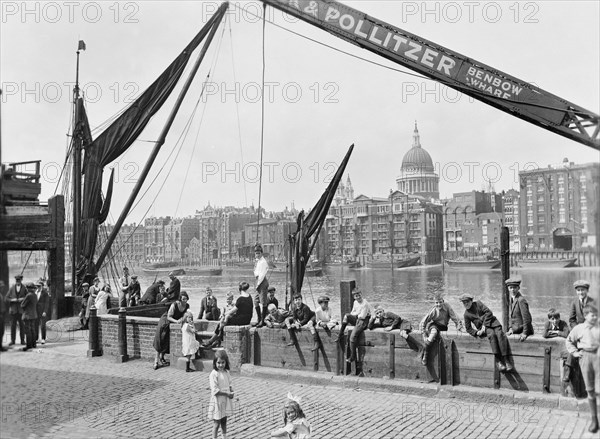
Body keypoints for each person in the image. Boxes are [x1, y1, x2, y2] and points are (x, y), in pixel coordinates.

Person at [565, 305, 599, 433]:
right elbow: (569, 341)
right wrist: (574, 353)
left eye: (596, 315)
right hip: (585, 357)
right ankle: (594, 420)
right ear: (585, 316)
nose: (595, 317)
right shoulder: (578, 329)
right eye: (592, 315)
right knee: (590, 390)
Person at [459, 293, 512, 372]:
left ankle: (506, 360)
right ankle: (498, 361)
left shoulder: (478, 304)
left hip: (493, 323)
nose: (466, 304)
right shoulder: (466, 314)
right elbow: (468, 328)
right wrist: (476, 333)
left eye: (467, 302)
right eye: (464, 303)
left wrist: (484, 325)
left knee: (500, 334)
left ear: (471, 301)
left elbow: (489, 312)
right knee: (492, 335)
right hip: (484, 329)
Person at [203, 282, 253, 349]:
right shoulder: (249, 297)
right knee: (226, 320)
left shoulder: (240, 299)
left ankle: (211, 341)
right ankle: (217, 340)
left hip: (242, 320)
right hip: (247, 319)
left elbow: (231, 311)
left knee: (222, 323)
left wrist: (224, 315)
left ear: (239, 289)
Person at [419, 293, 463, 365]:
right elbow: (422, 322)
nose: (438, 304)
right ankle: (425, 354)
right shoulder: (433, 310)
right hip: (434, 325)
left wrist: (459, 327)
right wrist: (424, 335)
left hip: (443, 327)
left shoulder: (447, 307)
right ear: (434, 303)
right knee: (434, 332)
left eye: (440, 302)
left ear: (443, 301)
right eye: (436, 303)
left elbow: (455, 317)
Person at [153, 291, 190, 370]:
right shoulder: (174, 305)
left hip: (174, 322)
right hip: (165, 321)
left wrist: (182, 319)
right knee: (160, 339)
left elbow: (185, 316)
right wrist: (176, 321)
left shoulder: (187, 306)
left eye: (186, 299)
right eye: (183, 299)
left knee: (167, 341)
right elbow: (169, 317)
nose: (185, 301)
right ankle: (156, 360)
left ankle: (162, 358)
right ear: (180, 299)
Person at [335, 288, 373, 363]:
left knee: (352, 337)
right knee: (346, 316)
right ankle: (340, 334)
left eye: (359, 295)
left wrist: (356, 314)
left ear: (361, 294)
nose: (358, 297)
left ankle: (353, 356)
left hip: (363, 321)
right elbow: (352, 312)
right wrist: (355, 314)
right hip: (358, 319)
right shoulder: (355, 302)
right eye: (356, 296)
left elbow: (362, 316)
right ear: (354, 297)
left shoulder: (365, 303)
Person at [208, 349, 235, 439]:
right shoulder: (214, 374)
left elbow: (229, 383)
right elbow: (215, 390)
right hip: (218, 401)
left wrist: (231, 390)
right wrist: (227, 393)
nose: (220, 365)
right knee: (217, 422)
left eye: (223, 363)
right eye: (218, 363)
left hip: (225, 400)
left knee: (224, 420)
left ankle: (224, 436)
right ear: (215, 363)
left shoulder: (226, 372)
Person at [253, 243, 270, 327]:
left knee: (263, 302)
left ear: (261, 253)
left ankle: (262, 321)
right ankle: (259, 319)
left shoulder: (263, 262)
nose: (257, 254)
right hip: (258, 282)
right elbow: (255, 272)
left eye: (259, 253)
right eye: (256, 253)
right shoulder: (257, 261)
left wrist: (257, 285)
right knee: (256, 301)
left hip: (262, 282)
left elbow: (262, 275)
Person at [6, 274, 26, 346]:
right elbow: (6, 298)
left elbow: (27, 297)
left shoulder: (24, 288)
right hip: (13, 311)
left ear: (21, 280)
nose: (18, 281)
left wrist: (22, 299)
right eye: (17, 280)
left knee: (22, 326)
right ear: (15, 281)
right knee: (13, 326)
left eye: (19, 280)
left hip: (21, 311)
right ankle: (13, 341)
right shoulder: (11, 288)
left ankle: (22, 341)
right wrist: (12, 300)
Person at [20, 282, 38, 351]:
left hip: (27, 315)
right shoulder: (35, 295)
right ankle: (34, 344)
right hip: (33, 315)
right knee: (33, 330)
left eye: (27, 288)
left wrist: (23, 300)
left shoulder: (28, 295)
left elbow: (22, 305)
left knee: (28, 331)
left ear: (28, 289)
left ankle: (29, 345)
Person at [35, 280, 50, 345]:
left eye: (39, 286)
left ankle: (43, 338)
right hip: (36, 311)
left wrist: (45, 311)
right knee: (36, 325)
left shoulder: (45, 293)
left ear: (42, 286)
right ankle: (36, 338)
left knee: (43, 326)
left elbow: (47, 303)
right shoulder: (35, 293)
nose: (38, 287)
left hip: (42, 312)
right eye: (37, 286)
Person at [0, 280, 7, 352]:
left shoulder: (1, 295)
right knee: (0, 331)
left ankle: (0, 346)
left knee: (1, 331)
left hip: (2, 315)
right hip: (0, 316)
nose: (2, 288)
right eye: (1, 287)